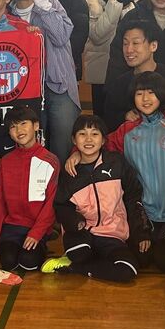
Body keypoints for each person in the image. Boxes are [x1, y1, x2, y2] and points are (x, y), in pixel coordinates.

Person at [42, 114, 148, 282]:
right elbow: (61, 206)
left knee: (128, 270)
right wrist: (75, 222)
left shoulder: (116, 163)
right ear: (74, 140)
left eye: (95, 134)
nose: (88, 139)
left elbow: (133, 197)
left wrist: (140, 232)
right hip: (81, 233)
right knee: (80, 252)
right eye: (82, 134)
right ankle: (82, 259)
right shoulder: (69, 172)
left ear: (103, 140)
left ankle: (75, 267)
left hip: (112, 234)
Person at [105, 72, 165, 273]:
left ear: (162, 94)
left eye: (151, 92)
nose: (145, 98)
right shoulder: (127, 129)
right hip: (143, 214)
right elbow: (97, 145)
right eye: (139, 93)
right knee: (140, 260)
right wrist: (76, 155)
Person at [8, 0, 80, 160]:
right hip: (24, 89)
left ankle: (63, 180)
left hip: (58, 84)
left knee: (62, 143)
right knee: (33, 144)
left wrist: (43, 6)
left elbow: (61, 36)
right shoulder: (7, 14)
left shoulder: (51, 3)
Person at [0, 105, 59, 274]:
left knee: (29, 263)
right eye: (13, 127)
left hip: (36, 226)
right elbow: (0, 202)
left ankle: (43, 245)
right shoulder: (6, 161)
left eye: (23, 124)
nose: (19, 130)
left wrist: (37, 233)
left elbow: (51, 203)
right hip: (11, 227)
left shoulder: (50, 161)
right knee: (8, 262)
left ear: (36, 125)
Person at [103, 16, 165, 132]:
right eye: (125, 44)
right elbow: (108, 118)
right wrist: (124, 116)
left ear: (153, 46)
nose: (129, 50)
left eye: (135, 43)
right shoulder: (120, 83)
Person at [85, 0, 141, 117]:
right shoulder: (93, 4)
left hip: (130, 70)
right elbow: (97, 36)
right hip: (102, 72)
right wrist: (114, 6)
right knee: (103, 115)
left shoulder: (138, 4)